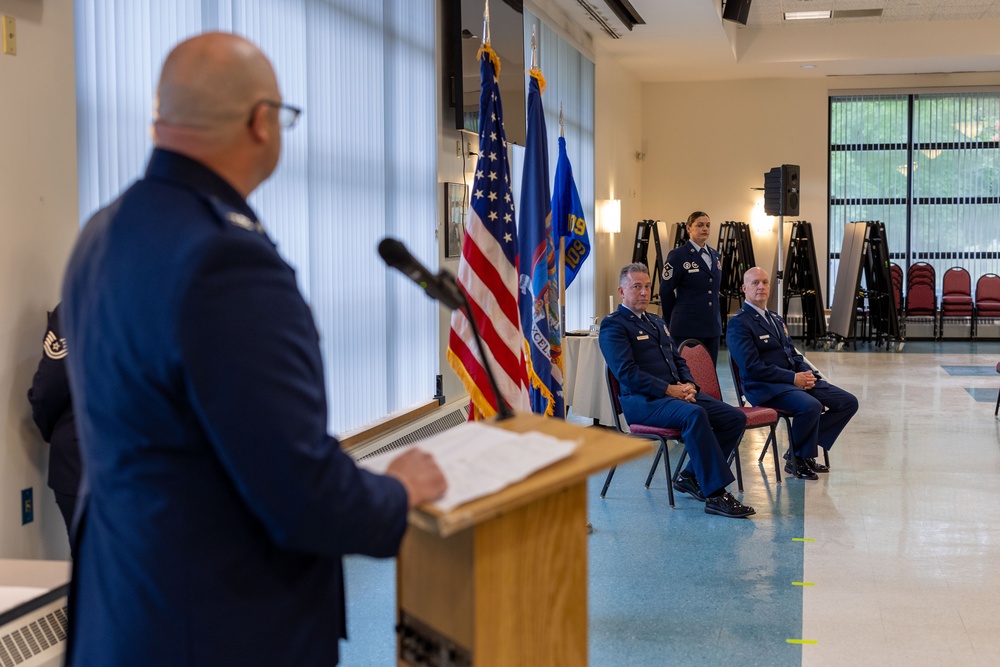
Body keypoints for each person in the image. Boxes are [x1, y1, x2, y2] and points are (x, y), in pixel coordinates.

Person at [60, 33, 446, 666]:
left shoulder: (103, 232)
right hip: (219, 628)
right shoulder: (226, 260)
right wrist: (397, 491)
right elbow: (300, 496)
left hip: (125, 613)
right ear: (261, 122)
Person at [599, 263, 753, 519]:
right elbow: (627, 373)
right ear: (621, 291)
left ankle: (690, 476)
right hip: (643, 402)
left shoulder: (657, 321)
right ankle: (715, 494)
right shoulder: (614, 326)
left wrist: (689, 384)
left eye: (647, 286)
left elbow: (678, 360)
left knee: (734, 417)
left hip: (674, 395)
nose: (644, 292)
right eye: (636, 287)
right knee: (693, 415)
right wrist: (670, 390)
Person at [726, 267, 859, 480]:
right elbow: (751, 366)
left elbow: (792, 354)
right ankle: (797, 459)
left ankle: (799, 449)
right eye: (755, 283)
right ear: (744, 288)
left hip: (792, 381)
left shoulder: (776, 319)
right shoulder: (739, 323)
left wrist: (806, 375)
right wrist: (792, 378)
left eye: (765, 282)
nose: (761, 286)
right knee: (810, 406)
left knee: (847, 402)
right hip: (764, 387)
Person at [27, 303, 81, 554]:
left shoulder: (79, 303)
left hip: (82, 460)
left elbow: (50, 387)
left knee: (92, 569)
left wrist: (53, 430)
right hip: (160, 462)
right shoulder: (172, 297)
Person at [659, 211, 723, 365]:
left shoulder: (715, 255)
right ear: (689, 228)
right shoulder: (678, 255)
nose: (705, 229)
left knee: (709, 373)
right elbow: (665, 291)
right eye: (700, 225)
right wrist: (671, 319)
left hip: (711, 325)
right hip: (687, 325)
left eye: (707, 225)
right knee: (689, 372)